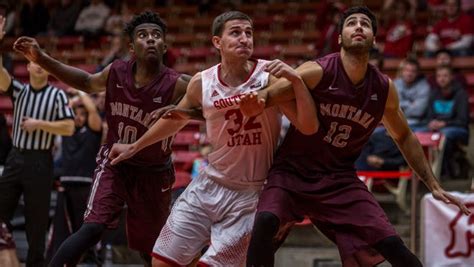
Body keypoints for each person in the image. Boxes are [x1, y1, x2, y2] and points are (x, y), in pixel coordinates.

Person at [238, 6, 470, 267]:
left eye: (365, 24)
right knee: (265, 222)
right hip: (292, 172)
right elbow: (269, 94)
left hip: (339, 179)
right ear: (339, 38)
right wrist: (255, 102)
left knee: (393, 245)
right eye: (351, 23)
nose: (358, 26)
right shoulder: (317, 71)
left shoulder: (383, 88)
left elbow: (404, 136)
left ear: (373, 39)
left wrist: (433, 184)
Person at [108, 10, 318, 267]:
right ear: (217, 42)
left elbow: (307, 127)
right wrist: (135, 146)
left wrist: (295, 80)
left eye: (248, 33)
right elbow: (177, 118)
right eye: (236, 33)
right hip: (209, 185)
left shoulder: (269, 77)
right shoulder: (202, 82)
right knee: (161, 262)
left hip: (251, 194)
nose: (244, 39)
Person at [12, 11, 192, 266]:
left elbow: (213, 105)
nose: (150, 39)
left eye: (156, 35)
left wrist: (185, 111)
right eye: (142, 35)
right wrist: (41, 57)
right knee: (92, 228)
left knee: (152, 251)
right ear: (131, 46)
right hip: (116, 163)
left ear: (164, 45)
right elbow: (85, 81)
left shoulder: (179, 84)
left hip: (154, 172)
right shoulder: (116, 71)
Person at [0, 15, 75, 266]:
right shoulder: (19, 90)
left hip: (40, 162)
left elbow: (69, 126)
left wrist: (39, 124)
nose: (38, 64)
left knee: (37, 223)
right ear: (28, 67)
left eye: (41, 59)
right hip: (15, 158)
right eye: (33, 60)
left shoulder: (56, 95)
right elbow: (0, 75)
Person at [46, 89, 102, 261]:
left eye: (81, 114)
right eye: (75, 114)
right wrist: (70, 104)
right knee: (62, 230)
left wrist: (79, 94)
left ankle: (92, 259)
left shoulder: (93, 130)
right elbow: (59, 115)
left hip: (86, 186)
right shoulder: (67, 130)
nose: (78, 117)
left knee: (86, 230)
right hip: (66, 185)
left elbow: (92, 110)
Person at [422, 65, 469, 178]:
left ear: (451, 77)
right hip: (437, 128)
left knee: (444, 135)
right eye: (439, 76)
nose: (442, 79)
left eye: (445, 76)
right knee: (418, 133)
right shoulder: (433, 93)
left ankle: (445, 170)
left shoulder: (461, 94)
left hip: (458, 129)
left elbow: (463, 120)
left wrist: (445, 124)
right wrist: (431, 123)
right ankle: (425, 171)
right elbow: (429, 116)